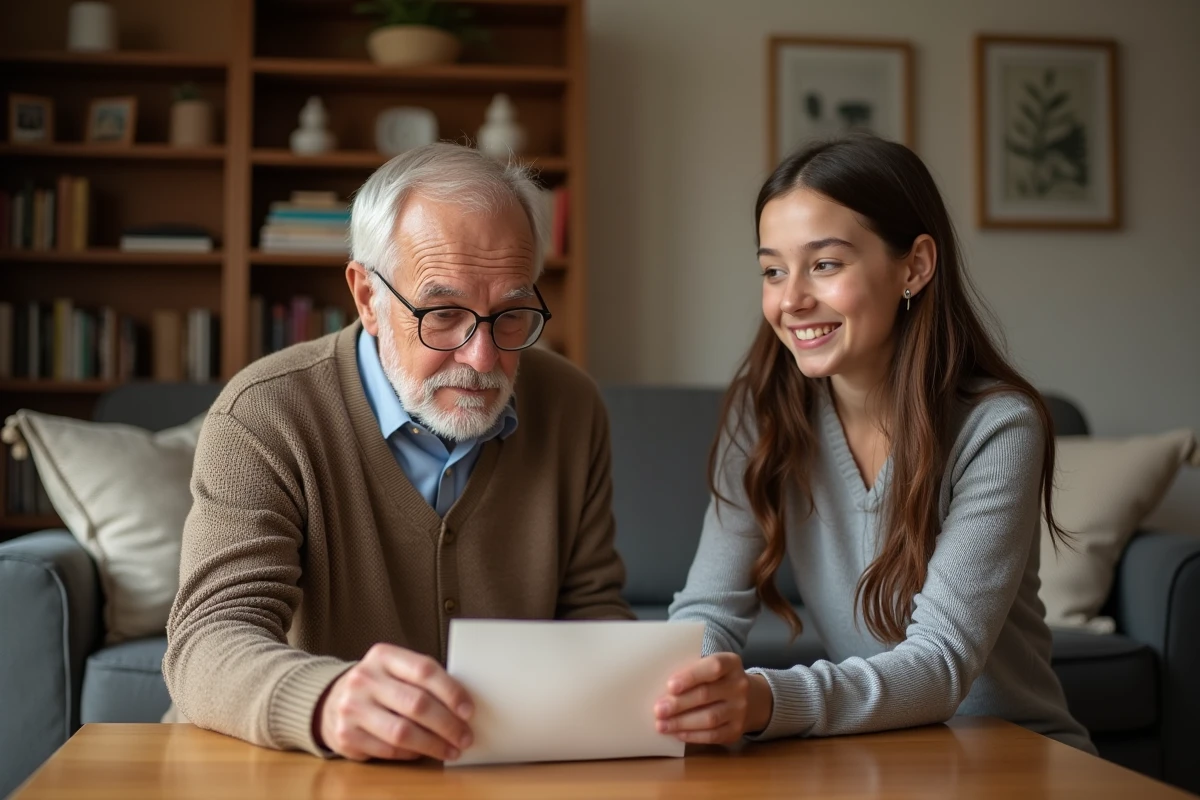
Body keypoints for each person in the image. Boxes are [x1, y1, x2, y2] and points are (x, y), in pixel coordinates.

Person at [163, 143, 633, 763]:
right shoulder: (263, 413)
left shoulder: (573, 406)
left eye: (512, 314)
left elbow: (590, 607)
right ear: (367, 297)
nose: (482, 358)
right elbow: (207, 637)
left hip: (494, 770)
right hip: (290, 769)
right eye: (442, 314)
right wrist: (326, 701)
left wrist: (643, 685)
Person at [655, 135, 1094, 753]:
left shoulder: (998, 425)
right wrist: (685, 696)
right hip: (873, 757)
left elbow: (940, 664)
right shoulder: (765, 414)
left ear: (914, 265)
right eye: (773, 270)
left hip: (1008, 754)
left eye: (825, 264)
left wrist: (761, 699)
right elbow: (709, 610)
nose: (792, 300)